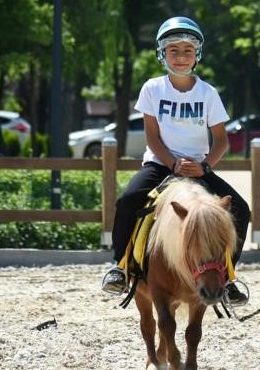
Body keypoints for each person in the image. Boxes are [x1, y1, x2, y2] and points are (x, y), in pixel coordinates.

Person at [101, 16, 250, 305]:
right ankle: (119, 267)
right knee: (128, 200)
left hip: (198, 167)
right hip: (160, 164)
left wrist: (204, 166)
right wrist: (172, 164)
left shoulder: (208, 93)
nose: (181, 57)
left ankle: (228, 275)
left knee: (241, 209)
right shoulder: (153, 89)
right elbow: (153, 137)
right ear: (162, 54)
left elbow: (221, 140)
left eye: (187, 51)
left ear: (197, 55)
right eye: (174, 51)